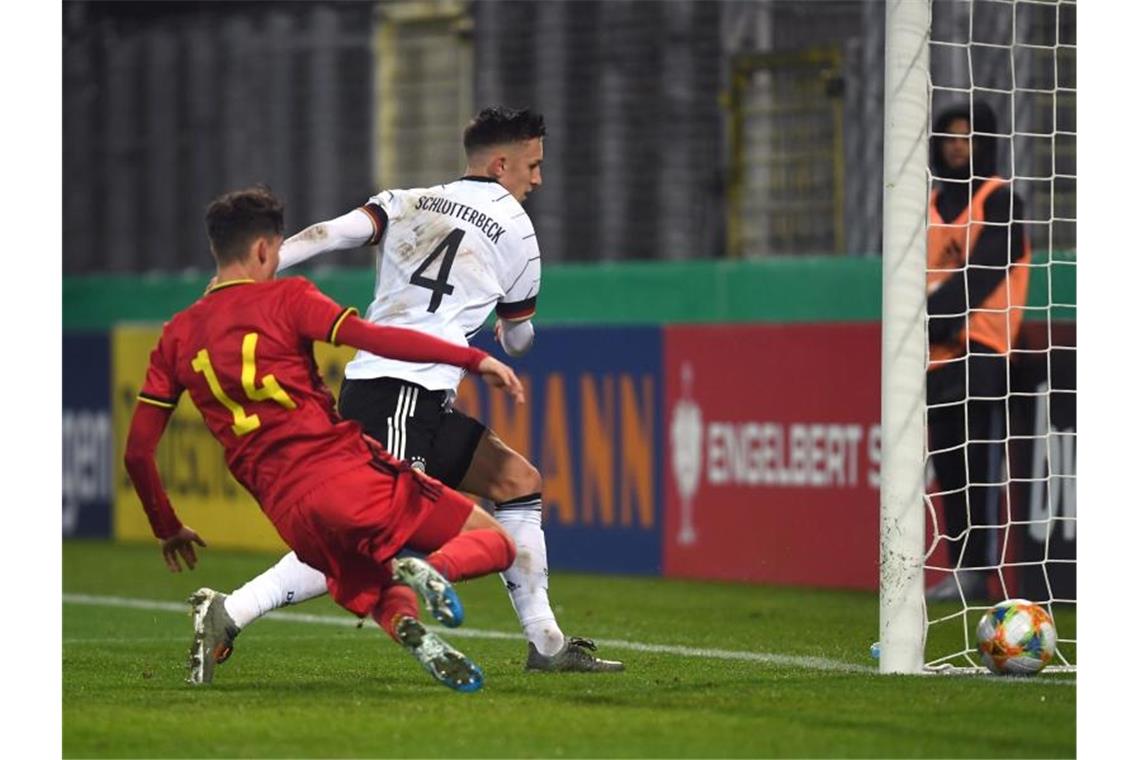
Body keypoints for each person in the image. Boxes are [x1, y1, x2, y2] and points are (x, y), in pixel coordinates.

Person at [189, 106, 623, 682]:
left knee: (518, 484)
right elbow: (518, 339)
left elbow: (328, 234)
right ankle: (232, 611)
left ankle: (546, 641)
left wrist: (248, 274)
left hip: (406, 391)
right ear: (500, 165)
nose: (537, 179)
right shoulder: (518, 230)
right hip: (401, 390)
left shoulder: (405, 200)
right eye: (533, 165)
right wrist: (508, 329)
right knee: (362, 543)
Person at [124, 185, 529, 692]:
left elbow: (138, 453)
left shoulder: (177, 335)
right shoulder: (287, 298)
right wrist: (474, 358)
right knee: (494, 540)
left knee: (371, 581)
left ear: (216, 250)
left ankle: (407, 626)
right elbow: (380, 338)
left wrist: (168, 526)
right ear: (265, 250)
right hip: (345, 472)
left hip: (287, 510)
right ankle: (430, 571)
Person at [925, 100, 1031, 602]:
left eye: (966, 137)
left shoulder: (1002, 200)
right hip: (933, 355)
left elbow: (986, 271)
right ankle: (959, 565)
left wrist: (927, 318)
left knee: (978, 462)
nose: (956, 146)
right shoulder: (924, 204)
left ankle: (981, 570)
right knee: (947, 465)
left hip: (982, 349)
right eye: (949, 136)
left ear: (984, 143)